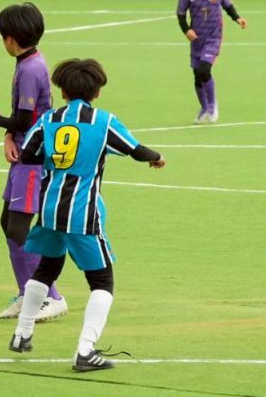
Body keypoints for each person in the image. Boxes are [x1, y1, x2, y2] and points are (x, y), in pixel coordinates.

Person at [8, 58, 165, 372]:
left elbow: (28, 154)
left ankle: (22, 333)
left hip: (50, 209)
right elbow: (134, 149)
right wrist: (156, 157)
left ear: (63, 92)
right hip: (83, 214)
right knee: (102, 281)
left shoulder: (49, 119)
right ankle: (85, 351)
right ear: (97, 92)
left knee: (48, 266)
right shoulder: (103, 121)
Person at [0, 3, 68, 322]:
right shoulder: (28, 61)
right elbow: (23, 117)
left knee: (19, 228)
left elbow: (26, 119)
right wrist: (9, 136)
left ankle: (50, 296)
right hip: (23, 154)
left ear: (10, 38)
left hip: (33, 159)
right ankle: (26, 293)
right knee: (8, 223)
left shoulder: (30, 69)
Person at [177, 0, 248, 124]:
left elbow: (228, 6)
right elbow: (181, 13)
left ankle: (212, 105)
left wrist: (237, 18)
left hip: (213, 37)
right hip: (196, 39)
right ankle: (203, 109)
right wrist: (187, 30)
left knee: (204, 70)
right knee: (197, 75)